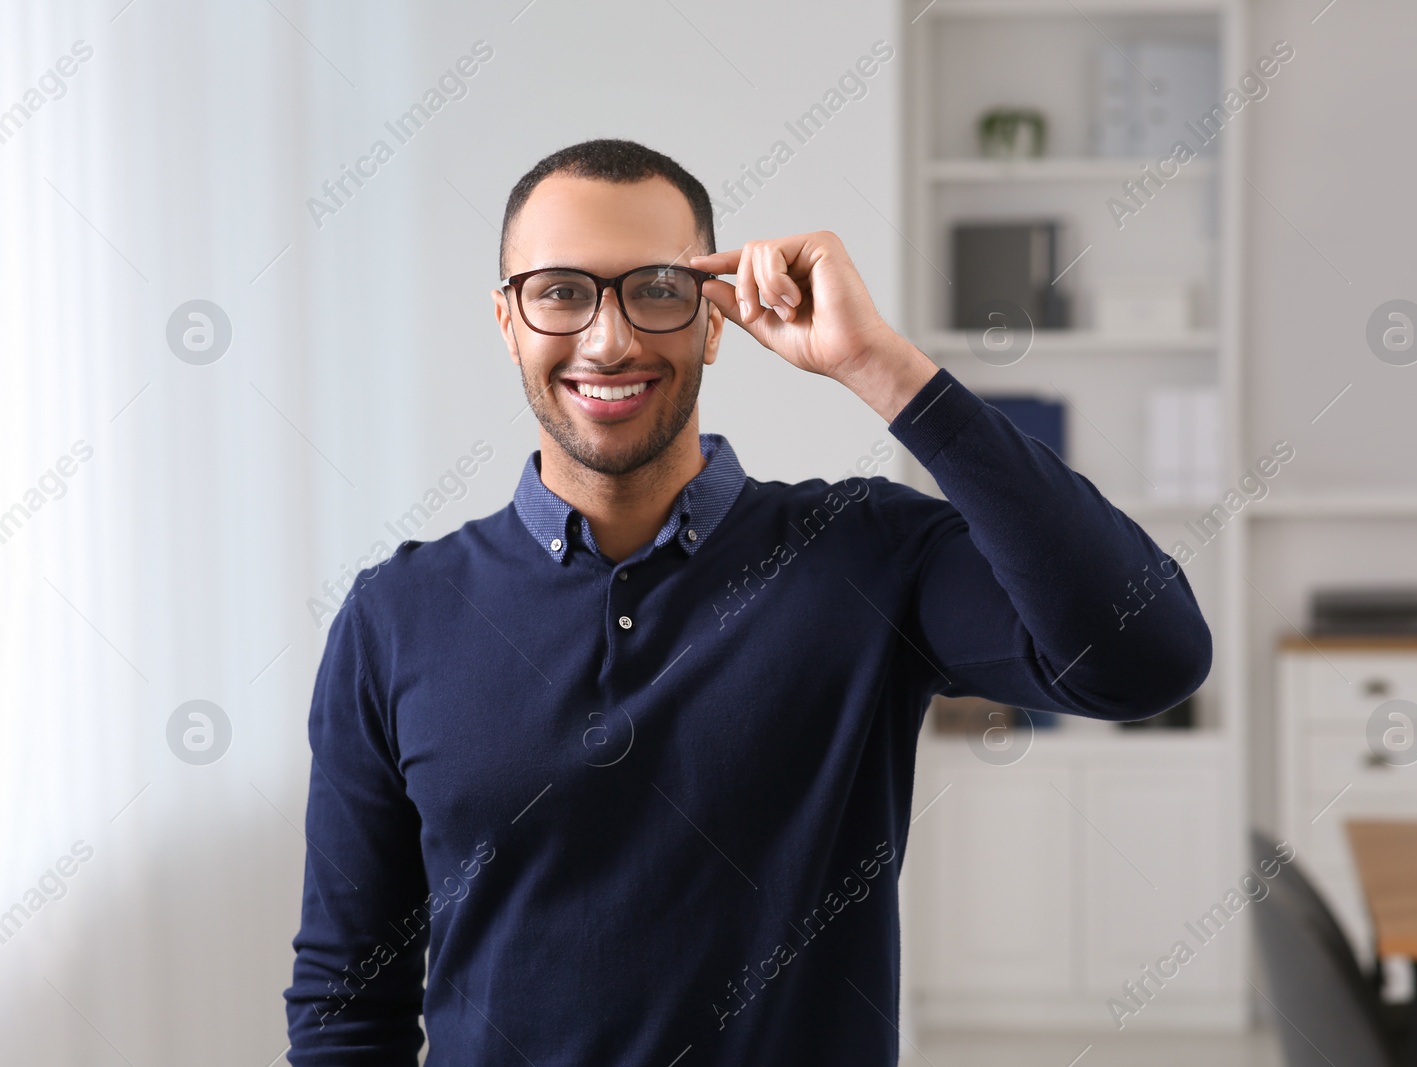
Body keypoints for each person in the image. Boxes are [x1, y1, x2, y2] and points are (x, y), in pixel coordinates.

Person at [283, 138, 1211, 1066]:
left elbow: (1148, 658)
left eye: (654, 288)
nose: (609, 339)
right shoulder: (395, 615)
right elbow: (344, 1005)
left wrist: (881, 365)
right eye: (561, 292)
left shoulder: (864, 552)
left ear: (714, 321)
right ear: (508, 321)